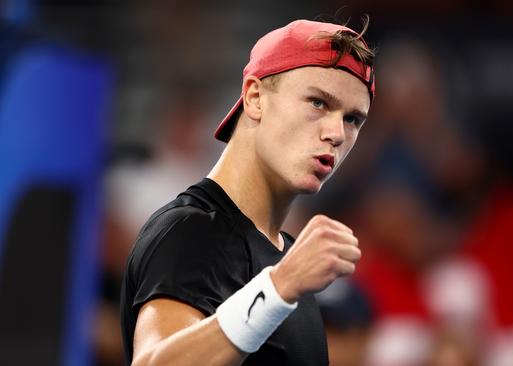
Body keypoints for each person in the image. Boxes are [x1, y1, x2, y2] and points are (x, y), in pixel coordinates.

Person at [120, 18, 376, 365]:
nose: (337, 133)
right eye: (318, 102)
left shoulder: (290, 264)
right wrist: (279, 287)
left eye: (353, 119)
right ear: (254, 97)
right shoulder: (190, 230)